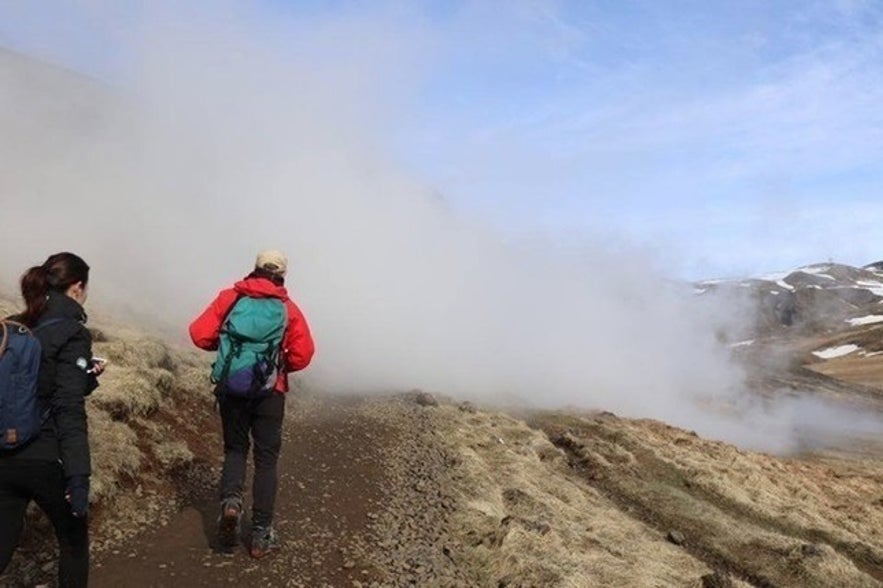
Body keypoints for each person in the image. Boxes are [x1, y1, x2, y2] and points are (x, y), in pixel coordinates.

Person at [189, 249, 314, 558]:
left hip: (232, 388)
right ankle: (260, 533)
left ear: (255, 269)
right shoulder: (288, 309)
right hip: (270, 393)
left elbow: (198, 333)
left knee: (234, 449)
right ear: (282, 275)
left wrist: (229, 348)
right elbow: (304, 353)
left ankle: (231, 504)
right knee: (266, 460)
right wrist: (278, 368)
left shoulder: (230, 298)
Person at [0, 252, 103, 587]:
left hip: (4, 451)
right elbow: (67, 407)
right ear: (76, 287)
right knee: (73, 542)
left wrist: (86, 376)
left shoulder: (14, 325)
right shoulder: (73, 333)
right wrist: (78, 476)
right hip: (46, 455)